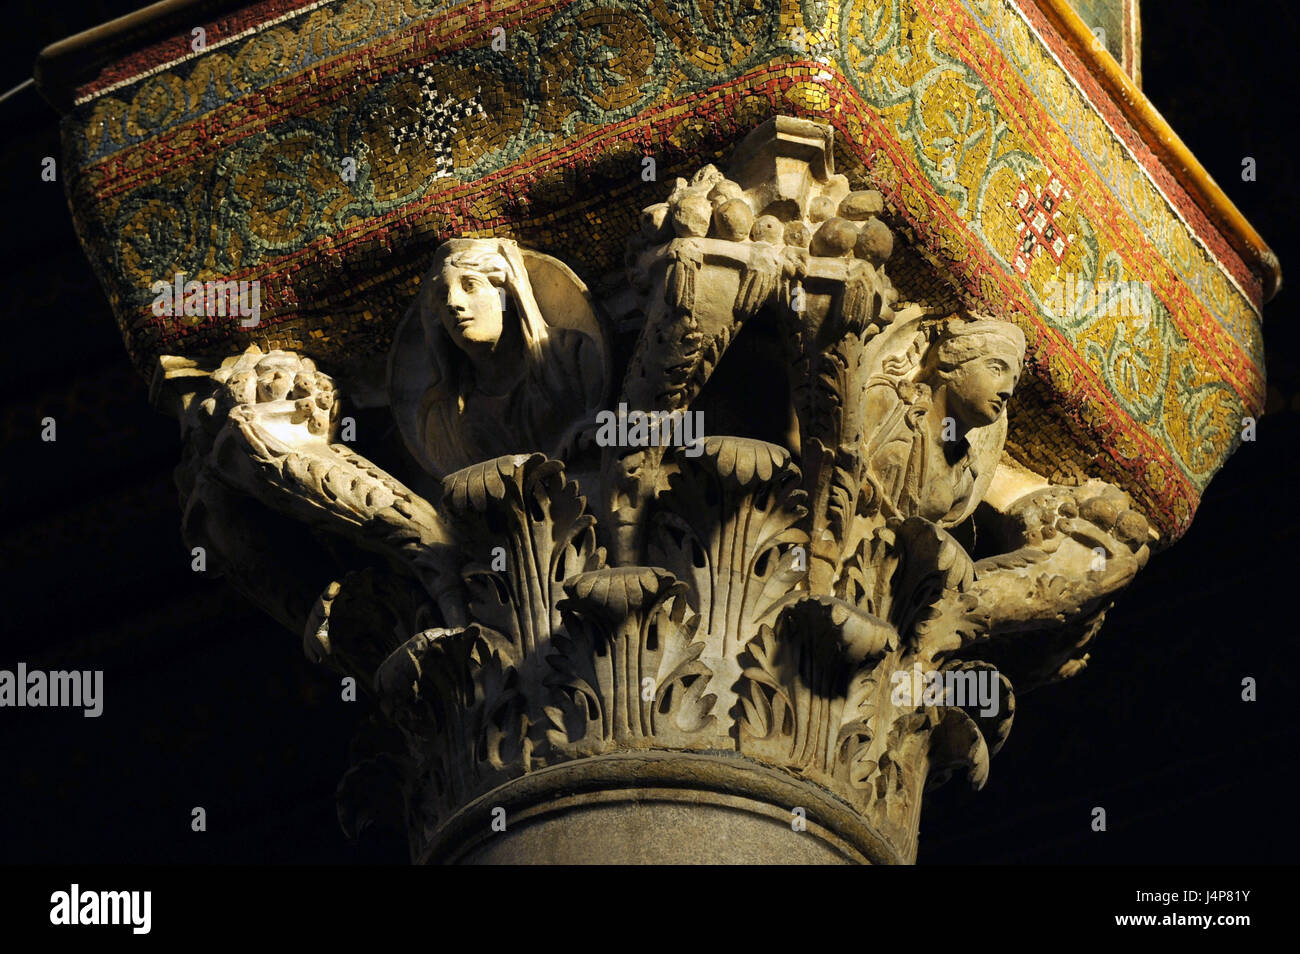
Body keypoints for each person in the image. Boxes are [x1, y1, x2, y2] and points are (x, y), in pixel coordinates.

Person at [413, 238, 603, 475]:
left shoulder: (571, 358)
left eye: (470, 285)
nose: (453, 303)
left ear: (505, 297)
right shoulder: (442, 417)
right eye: (442, 296)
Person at [862, 317, 1026, 526]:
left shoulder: (963, 481)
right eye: (996, 369)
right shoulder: (887, 406)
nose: (1007, 391)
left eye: (1013, 381)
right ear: (952, 363)